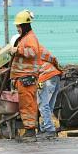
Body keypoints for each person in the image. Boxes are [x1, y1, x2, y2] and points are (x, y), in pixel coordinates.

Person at [10, 9, 62, 140]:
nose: (17, 28)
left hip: (40, 77)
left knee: (40, 104)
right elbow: (52, 58)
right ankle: (46, 129)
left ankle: (44, 130)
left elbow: (32, 52)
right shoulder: (31, 41)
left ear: (24, 25)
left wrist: (17, 50)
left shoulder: (30, 39)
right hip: (51, 75)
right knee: (46, 105)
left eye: (18, 26)